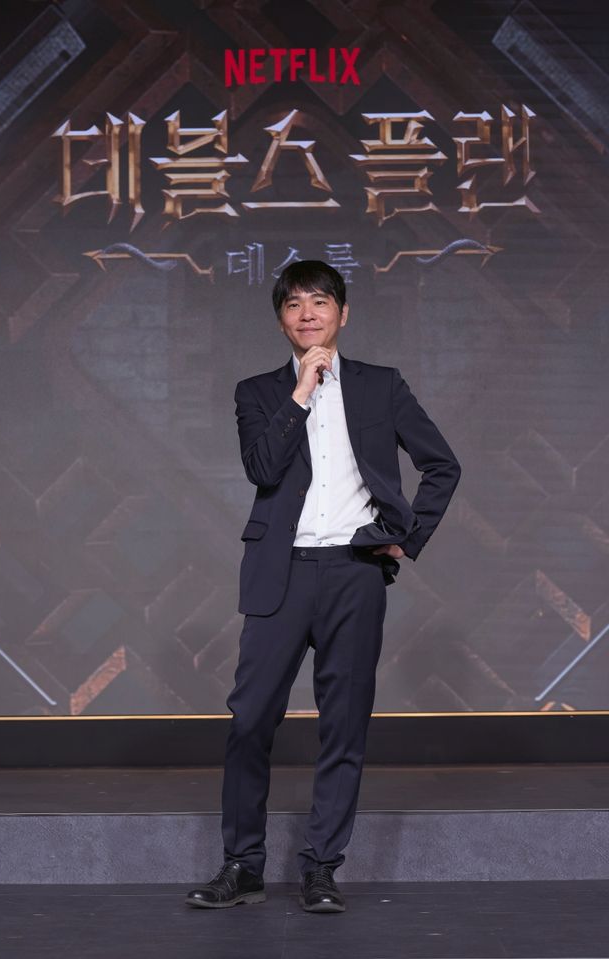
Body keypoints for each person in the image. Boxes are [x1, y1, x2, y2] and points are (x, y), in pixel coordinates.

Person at [186, 260, 461, 913]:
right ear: (281, 319)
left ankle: (321, 867)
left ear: (343, 312)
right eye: (294, 304)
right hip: (279, 572)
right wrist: (302, 391)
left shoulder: (380, 385)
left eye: (319, 302)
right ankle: (242, 865)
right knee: (251, 718)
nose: (307, 314)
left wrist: (407, 536)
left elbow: (442, 464)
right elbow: (263, 467)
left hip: (353, 573)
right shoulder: (259, 392)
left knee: (343, 724)